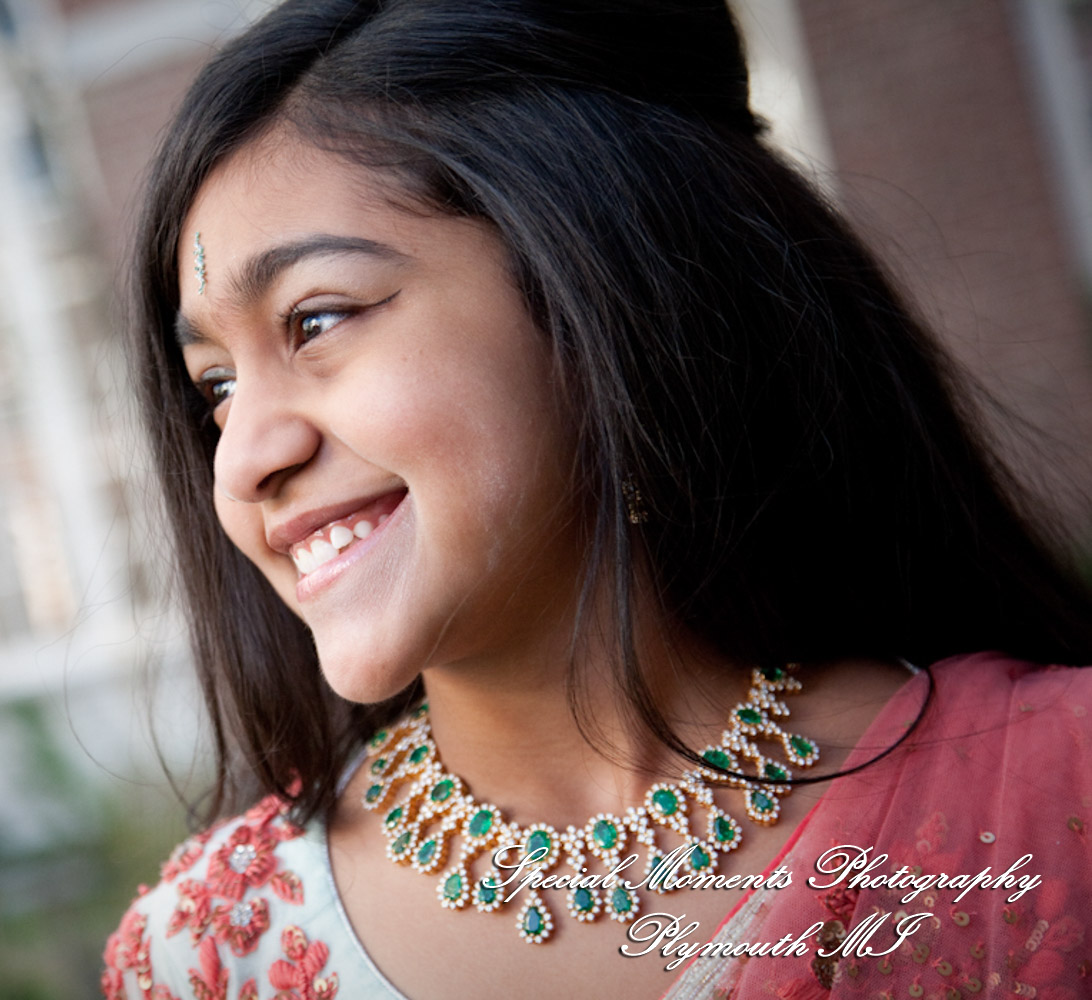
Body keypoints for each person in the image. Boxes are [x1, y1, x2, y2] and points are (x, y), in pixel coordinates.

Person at [102, 2, 1092, 998]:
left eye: (316, 320)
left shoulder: (1057, 797)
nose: (242, 461)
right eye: (216, 389)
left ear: (605, 295)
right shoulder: (211, 953)